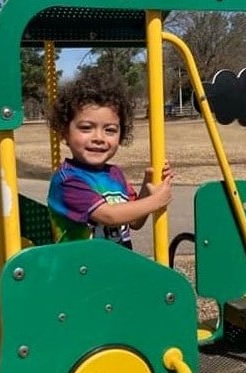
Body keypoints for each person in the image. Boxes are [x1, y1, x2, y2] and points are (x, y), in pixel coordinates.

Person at [47, 69, 173, 248]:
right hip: (82, 271)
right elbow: (110, 216)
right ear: (64, 133)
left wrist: (148, 185)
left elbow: (135, 222)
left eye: (110, 130)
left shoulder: (115, 174)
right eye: (86, 128)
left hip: (116, 268)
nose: (99, 137)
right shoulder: (67, 180)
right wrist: (156, 200)